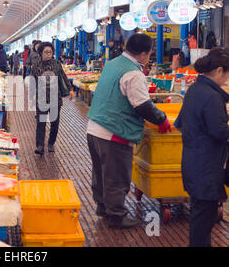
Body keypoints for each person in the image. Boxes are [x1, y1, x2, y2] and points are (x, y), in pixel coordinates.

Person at [87, 33, 172, 229]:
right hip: (114, 130)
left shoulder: (113, 63)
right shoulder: (134, 74)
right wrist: (162, 119)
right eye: (149, 53)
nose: (149, 57)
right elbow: (142, 105)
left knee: (100, 174)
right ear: (143, 54)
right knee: (116, 176)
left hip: (94, 128)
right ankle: (117, 215)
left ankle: (103, 208)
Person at [174, 48, 229, 247]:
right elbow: (220, 132)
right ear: (219, 70)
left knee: (201, 217)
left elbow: (179, 124)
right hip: (206, 167)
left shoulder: (195, 90)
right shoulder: (212, 97)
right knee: (202, 220)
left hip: (194, 162)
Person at [31, 42, 74, 155]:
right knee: (41, 123)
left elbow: (63, 77)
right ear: (41, 53)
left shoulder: (56, 64)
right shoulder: (36, 65)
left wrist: (70, 89)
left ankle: (51, 143)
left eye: (50, 52)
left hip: (55, 98)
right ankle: (40, 146)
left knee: (55, 123)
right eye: (46, 52)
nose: (48, 54)